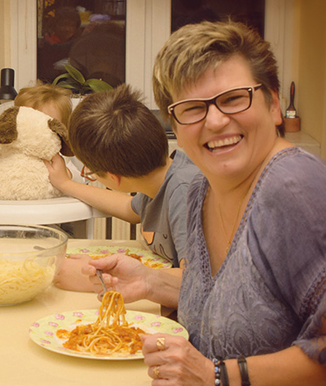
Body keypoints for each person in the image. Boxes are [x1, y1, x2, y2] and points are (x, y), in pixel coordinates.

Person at [84, 21, 326, 385]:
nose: (215, 120)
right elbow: (241, 303)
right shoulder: (201, 190)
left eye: (233, 98)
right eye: (192, 108)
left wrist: (218, 375)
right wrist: (151, 282)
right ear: (175, 126)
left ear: (273, 104)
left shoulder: (293, 186)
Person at [45, 84, 199, 292]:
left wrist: (99, 278)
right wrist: (65, 184)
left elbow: (195, 280)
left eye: (90, 172)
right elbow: (129, 208)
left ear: (113, 178)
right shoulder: (157, 181)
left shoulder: (184, 191)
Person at [0, 82, 82, 182]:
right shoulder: (3, 152)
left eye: (46, 125)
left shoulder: (57, 160)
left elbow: (79, 182)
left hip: (44, 210)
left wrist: (66, 175)